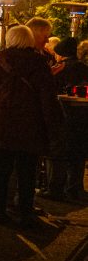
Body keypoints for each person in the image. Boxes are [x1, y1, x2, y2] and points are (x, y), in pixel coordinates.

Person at [0, 26, 63, 227]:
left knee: (1, 171)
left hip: (1, 126)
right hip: (30, 128)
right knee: (27, 172)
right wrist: (54, 129)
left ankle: (0, 211)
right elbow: (48, 101)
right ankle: (25, 212)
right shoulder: (39, 64)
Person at [43, 36, 88, 201]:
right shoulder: (84, 68)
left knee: (58, 153)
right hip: (83, 117)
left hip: (62, 115)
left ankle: (55, 188)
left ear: (60, 54)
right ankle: (75, 188)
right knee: (78, 153)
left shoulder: (59, 68)